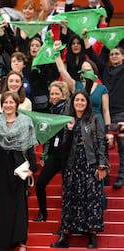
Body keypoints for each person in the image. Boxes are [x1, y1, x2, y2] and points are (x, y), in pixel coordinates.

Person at [0, 91, 38, 251]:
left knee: (18, 204)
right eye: (5, 102)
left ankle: (19, 241)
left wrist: (32, 166)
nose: (8, 105)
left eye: (11, 102)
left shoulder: (25, 121)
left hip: (18, 166)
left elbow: (30, 146)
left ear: (17, 104)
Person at [50, 90, 108, 249]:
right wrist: (68, 130)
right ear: (72, 102)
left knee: (91, 199)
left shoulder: (95, 119)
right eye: (77, 100)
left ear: (87, 102)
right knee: (69, 199)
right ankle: (64, 236)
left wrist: (102, 165)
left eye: (83, 100)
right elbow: (63, 147)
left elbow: (102, 142)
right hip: (72, 164)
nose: (80, 103)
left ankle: (92, 236)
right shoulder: (68, 120)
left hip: (90, 163)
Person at [34, 81, 70, 222]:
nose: (54, 96)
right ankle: (43, 213)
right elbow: (48, 134)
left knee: (68, 188)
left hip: (67, 153)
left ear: (63, 94)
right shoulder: (51, 110)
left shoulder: (68, 107)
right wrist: (44, 153)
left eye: (57, 93)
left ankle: (67, 219)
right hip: (54, 154)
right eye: (52, 94)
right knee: (40, 183)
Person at [100, 47, 124, 189]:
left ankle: (122, 176)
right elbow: (95, 57)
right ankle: (106, 175)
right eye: (112, 54)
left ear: (123, 56)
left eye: (117, 54)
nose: (114, 56)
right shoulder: (106, 70)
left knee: (122, 147)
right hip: (106, 114)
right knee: (104, 145)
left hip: (122, 113)